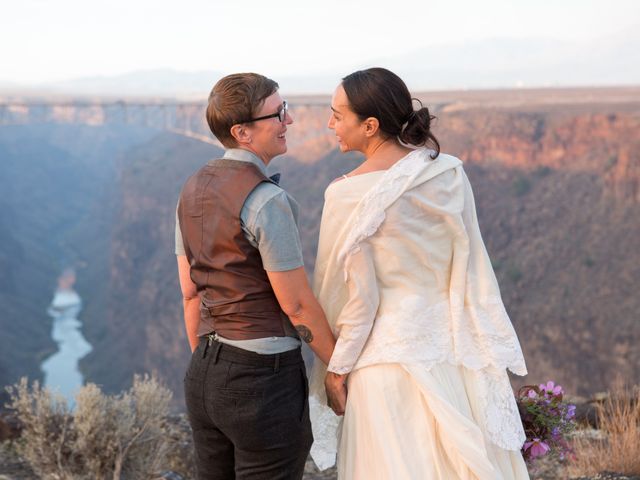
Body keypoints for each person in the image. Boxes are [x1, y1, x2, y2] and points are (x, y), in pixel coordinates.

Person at [308, 68, 531, 479]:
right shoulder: (447, 173)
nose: (329, 124)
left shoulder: (345, 194)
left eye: (337, 115)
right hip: (452, 358)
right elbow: (471, 265)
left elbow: (359, 303)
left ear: (369, 125)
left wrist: (336, 370)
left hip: (386, 367)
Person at [175, 73, 336, 480]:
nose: (290, 120)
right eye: (279, 113)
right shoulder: (266, 201)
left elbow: (190, 295)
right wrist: (339, 367)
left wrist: (210, 365)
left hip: (204, 374)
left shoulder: (190, 191)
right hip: (262, 382)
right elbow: (296, 304)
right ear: (242, 131)